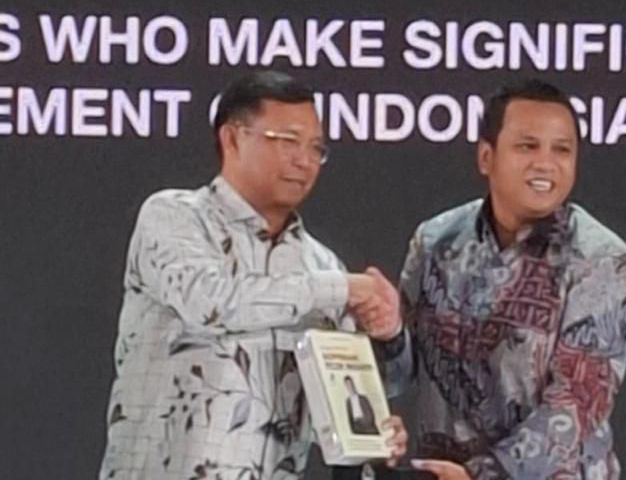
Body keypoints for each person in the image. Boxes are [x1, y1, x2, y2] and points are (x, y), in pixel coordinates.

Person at [99, 70, 407, 480]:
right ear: (232, 138)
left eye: (316, 148)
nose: (304, 161)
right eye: (288, 142)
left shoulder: (322, 264)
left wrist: (373, 428)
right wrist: (340, 288)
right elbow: (210, 303)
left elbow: (338, 402)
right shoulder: (174, 217)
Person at [367, 79, 626, 479]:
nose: (546, 163)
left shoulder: (600, 260)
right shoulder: (435, 240)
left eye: (562, 149)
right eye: (528, 146)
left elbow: (575, 407)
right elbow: (399, 376)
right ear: (486, 157)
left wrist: (481, 475)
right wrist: (390, 331)